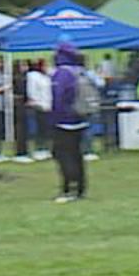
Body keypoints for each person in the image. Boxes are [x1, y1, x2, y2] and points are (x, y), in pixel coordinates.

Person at [48, 41, 91, 203]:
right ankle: (80, 188)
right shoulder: (80, 71)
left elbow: (58, 98)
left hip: (64, 121)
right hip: (80, 118)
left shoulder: (61, 74)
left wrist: (53, 118)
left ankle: (68, 189)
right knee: (77, 155)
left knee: (64, 156)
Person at [24, 58, 53, 162]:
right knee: (40, 129)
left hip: (48, 105)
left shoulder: (46, 77)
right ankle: (39, 150)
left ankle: (45, 149)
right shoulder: (33, 76)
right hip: (39, 106)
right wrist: (37, 102)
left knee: (47, 129)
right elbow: (31, 91)